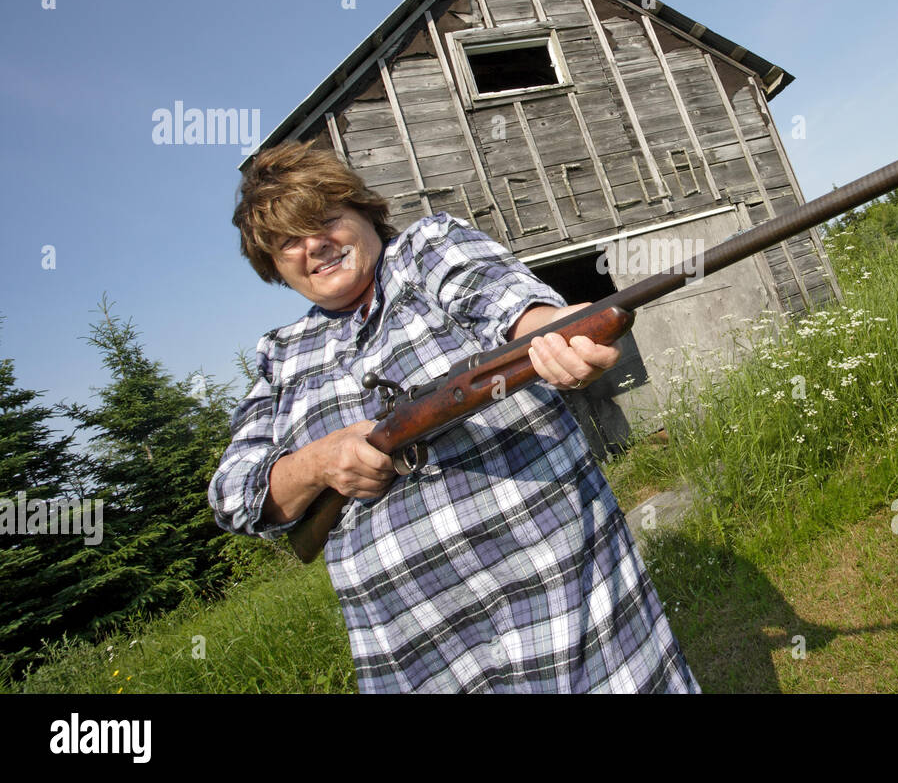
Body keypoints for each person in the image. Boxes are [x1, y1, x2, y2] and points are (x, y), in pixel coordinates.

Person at [209, 140, 700, 693]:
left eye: (324, 219)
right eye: (287, 243)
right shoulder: (280, 355)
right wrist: (317, 464)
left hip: (560, 597)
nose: (313, 246)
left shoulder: (428, 249)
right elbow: (233, 493)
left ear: (363, 212)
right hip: (414, 649)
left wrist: (558, 331)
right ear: (273, 266)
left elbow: (509, 304)